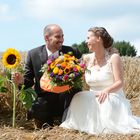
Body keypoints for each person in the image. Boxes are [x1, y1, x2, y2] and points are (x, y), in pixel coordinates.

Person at [60, 27, 140, 134]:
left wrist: (106, 90)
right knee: (78, 97)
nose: (86, 41)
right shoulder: (87, 59)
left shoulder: (114, 58)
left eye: (88, 38)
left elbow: (119, 82)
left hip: (112, 95)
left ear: (98, 38)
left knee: (105, 101)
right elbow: (78, 77)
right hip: (93, 96)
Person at [13, 24, 82, 128]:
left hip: (68, 98)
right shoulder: (33, 54)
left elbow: (81, 74)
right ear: (46, 38)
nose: (62, 40)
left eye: (62, 36)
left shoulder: (72, 52)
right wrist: (20, 81)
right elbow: (28, 82)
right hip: (45, 99)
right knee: (38, 110)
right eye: (58, 37)